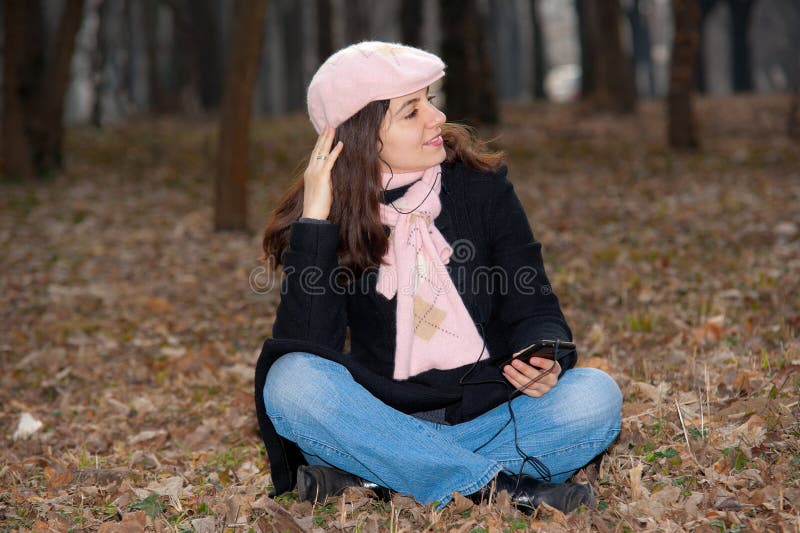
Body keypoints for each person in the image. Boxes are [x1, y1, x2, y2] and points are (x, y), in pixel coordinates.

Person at [254, 41, 621, 514]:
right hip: (376, 421)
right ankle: (494, 488)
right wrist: (316, 225)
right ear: (361, 136)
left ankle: (381, 482)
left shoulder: (482, 190)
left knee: (595, 397)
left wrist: (543, 352)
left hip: (489, 414)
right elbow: (308, 348)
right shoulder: (333, 222)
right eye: (411, 111)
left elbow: (531, 299)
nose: (436, 117)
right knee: (290, 381)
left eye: (430, 99)